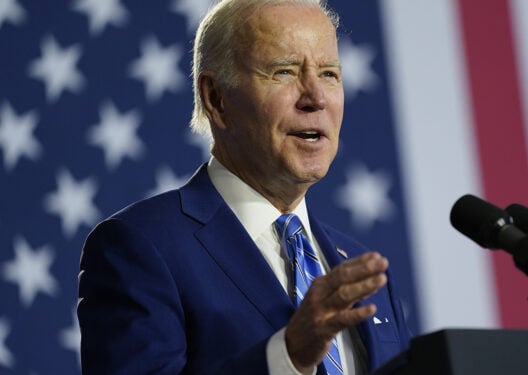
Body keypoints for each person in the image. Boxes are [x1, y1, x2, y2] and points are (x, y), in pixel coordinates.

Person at [77, 0, 412, 373]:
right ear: (217, 99)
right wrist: (287, 357)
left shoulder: (360, 267)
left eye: (329, 74)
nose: (316, 98)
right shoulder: (142, 246)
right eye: (284, 72)